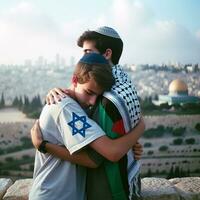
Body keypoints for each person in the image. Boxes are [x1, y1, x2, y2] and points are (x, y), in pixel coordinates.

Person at [31, 27, 144, 200]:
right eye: (90, 94)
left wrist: (130, 142)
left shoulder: (90, 99)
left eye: (88, 52)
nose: (92, 101)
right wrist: (43, 145)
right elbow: (98, 158)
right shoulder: (66, 107)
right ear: (76, 80)